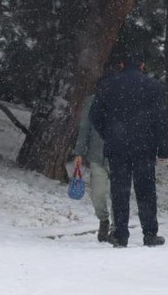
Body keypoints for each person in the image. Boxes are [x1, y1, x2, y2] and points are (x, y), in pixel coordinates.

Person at [90, 51, 168, 248]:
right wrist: (163, 149)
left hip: (117, 145)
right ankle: (150, 233)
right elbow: (161, 120)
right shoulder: (153, 87)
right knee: (146, 191)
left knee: (119, 191)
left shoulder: (109, 85)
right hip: (144, 146)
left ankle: (120, 234)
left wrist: (108, 133)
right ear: (142, 65)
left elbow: (95, 115)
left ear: (121, 64)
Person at [73, 92, 114, 242]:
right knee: (98, 193)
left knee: (118, 195)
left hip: (121, 155)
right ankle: (104, 220)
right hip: (97, 155)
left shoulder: (130, 98)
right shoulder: (92, 101)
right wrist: (79, 152)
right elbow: (85, 126)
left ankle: (116, 228)